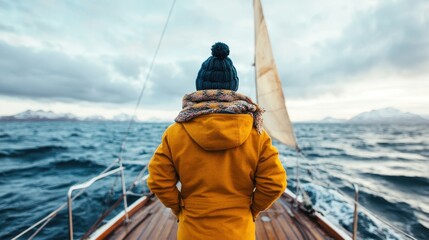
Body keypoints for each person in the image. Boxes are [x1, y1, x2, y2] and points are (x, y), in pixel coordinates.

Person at [147, 42, 287, 240]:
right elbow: (274, 183)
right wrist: (251, 210)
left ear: (200, 86)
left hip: (192, 230)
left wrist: (180, 209)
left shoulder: (175, 132)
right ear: (233, 87)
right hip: (239, 230)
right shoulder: (257, 135)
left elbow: (158, 181)